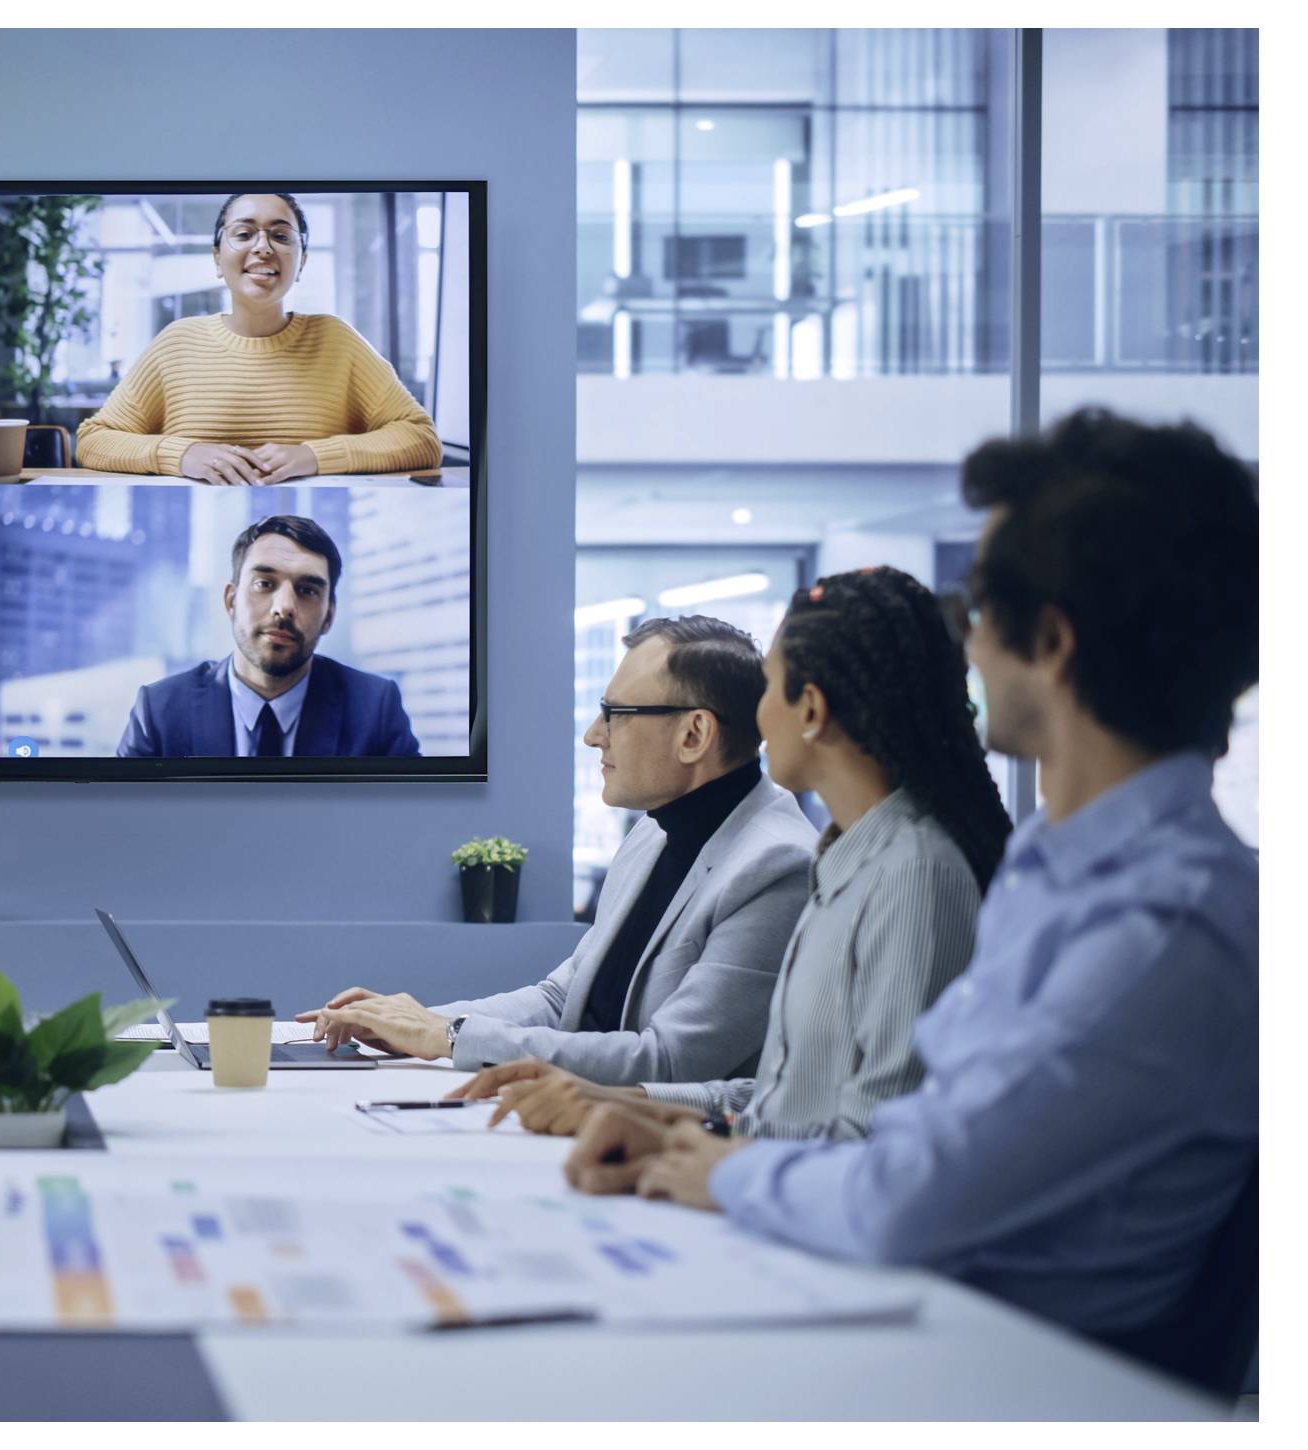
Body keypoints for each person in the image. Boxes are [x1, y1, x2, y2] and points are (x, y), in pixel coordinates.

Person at [569, 410, 1257, 1355]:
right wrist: (673, 1131)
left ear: (1048, 644)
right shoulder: (1064, 875)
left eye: (980, 613)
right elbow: (896, 1134)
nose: (964, 650)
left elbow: (905, 1193)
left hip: (986, 1367)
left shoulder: (1158, 928)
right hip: (917, 1319)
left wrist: (715, 1171)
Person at [469, 567, 1008, 1138]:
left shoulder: (912, 874)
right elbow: (780, 1097)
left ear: (812, 709)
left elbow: (874, 1136)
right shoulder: (844, 860)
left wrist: (709, 1158)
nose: (756, 716)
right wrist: (622, 1102)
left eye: (770, 686)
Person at [305, 617, 816, 1081]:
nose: (594, 736)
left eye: (614, 714)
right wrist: (417, 1022)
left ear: (694, 733)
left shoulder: (776, 864)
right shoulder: (653, 833)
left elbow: (669, 1061)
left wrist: (448, 1037)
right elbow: (562, 998)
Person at [74, 192, 440, 482]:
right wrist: (182, 455)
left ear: (302, 261)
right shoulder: (177, 342)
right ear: (218, 259)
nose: (263, 247)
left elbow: (421, 439)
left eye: (281, 236)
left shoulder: (337, 340)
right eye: (244, 234)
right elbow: (93, 441)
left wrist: (313, 456)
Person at [117, 514, 420, 758]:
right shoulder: (160, 710)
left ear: (329, 616)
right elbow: (121, 823)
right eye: (264, 583)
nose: (284, 608)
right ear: (231, 600)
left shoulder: (375, 709)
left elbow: (412, 822)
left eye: (307, 590)